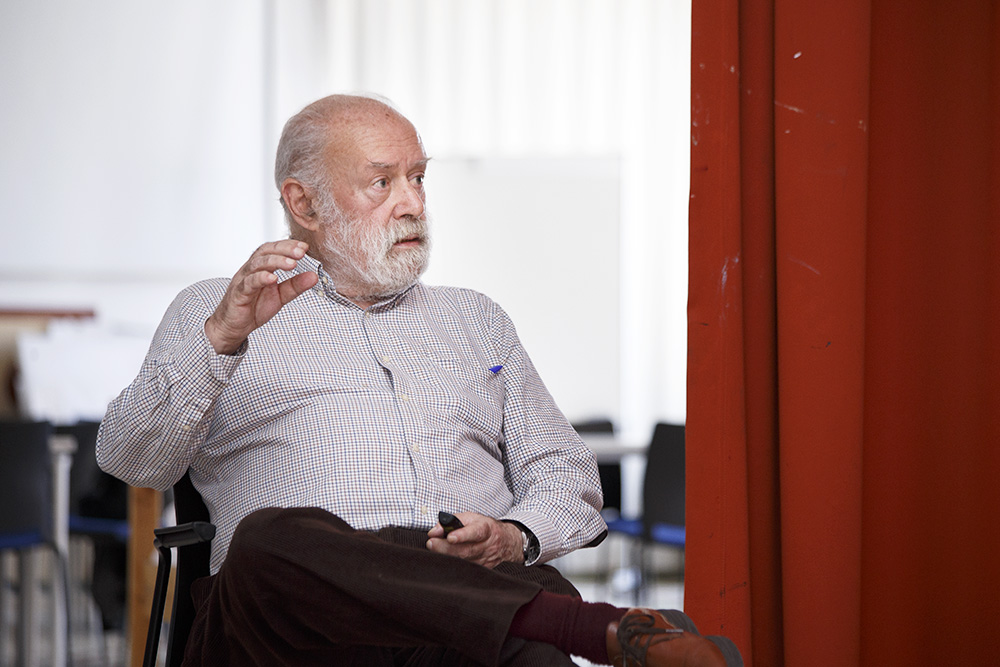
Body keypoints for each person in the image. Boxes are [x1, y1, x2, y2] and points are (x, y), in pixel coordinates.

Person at [97, 94, 741, 666]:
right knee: (268, 541)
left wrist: (515, 537)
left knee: (516, 613)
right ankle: (602, 631)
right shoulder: (218, 310)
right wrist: (221, 339)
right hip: (301, 628)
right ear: (304, 203)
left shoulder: (476, 320)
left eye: (418, 178)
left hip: (473, 613)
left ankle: (590, 630)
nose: (412, 203)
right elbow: (131, 461)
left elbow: (566, 472)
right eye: (381, 182)